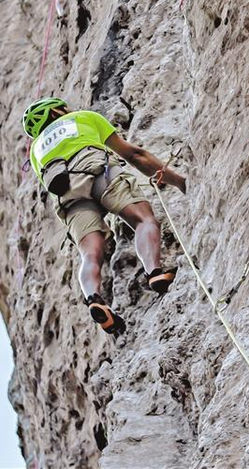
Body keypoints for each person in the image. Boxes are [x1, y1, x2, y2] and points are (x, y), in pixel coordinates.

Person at [22, 97, 187, 336]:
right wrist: (179, 182)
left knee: (89, 253)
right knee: (143, 220)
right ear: (58, 110)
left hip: (67, 195)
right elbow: (135, 155)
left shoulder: (36, 151)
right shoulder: (82, 118)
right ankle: (154, 271)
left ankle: (94, 298)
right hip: (100, 173)